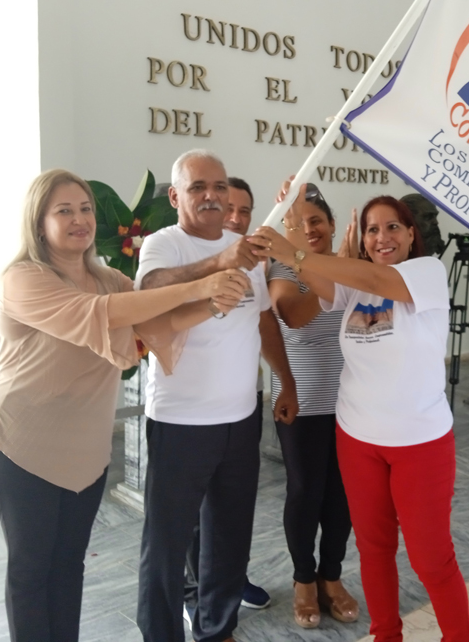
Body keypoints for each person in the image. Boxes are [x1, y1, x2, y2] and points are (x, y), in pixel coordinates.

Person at [0, 169, 249, 642]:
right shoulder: (22, 279)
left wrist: (213, 304)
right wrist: (199, 286)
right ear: (39, 222)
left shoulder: (109, 279)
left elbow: (156, 320)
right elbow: (97, 315)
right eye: (64, 210)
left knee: (69, 565)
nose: (80, 219)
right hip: (23, 445)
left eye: (86, 208)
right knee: (31, 570)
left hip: (85, 450)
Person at [260, 187, 469, 642]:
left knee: (431, 559)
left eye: (392, 226)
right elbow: (309, 281)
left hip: (419, 442)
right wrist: (293, 223)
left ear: (411, 235)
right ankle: (385, 634)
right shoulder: (353, 284)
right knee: (374, 550)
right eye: (372, 230)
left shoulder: (426, 273)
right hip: (358, 439)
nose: (381, 237)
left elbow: (375, 280)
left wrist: (292, 248)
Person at [135, 150, 299, 642]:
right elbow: (150, 290)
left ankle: (218, 628)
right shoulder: (163, 244)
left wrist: (286, 380)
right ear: (175, 196)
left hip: (240, 419)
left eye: (219, 186)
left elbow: (262, 320)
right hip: (180, 423)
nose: (211, 195)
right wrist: (219, 262)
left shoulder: (246, 250)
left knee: (229, 538)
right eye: (198, 187)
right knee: (166, 545)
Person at [266, 183, 358, 629]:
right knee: (306, 491)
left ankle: (331, 577)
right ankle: (304, 580)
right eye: (297, 223)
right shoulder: (282, 266)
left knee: (343, 494)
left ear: (332, 224)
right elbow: (293, 313)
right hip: (300, 401)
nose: (308, 229)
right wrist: (335, 273)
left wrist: (344, 267)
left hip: (351, 402)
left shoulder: (348, 265)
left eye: (316, 220)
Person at [182, 176, 271, 622]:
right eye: (230, 207)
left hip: (244, 401)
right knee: (196, 508)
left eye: (245, 210)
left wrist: (285, 382)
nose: (236, 218)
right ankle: (194, 591)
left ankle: (229, 580)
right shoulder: (189, 255)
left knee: (231, 505)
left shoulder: (255, 263)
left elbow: (264, 322)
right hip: (192, 412)